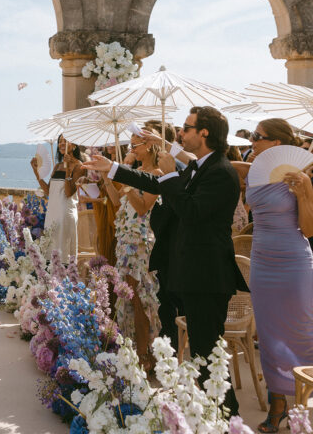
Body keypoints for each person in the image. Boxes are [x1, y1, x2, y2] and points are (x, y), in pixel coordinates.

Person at [84, 106, 246, 417]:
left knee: (207, 355)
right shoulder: (201, 166)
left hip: (207, 275)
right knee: (201, 354)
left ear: (205, 133)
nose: (180, 133)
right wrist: (113, 168)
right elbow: (154, 183)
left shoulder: (221, 173)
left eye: (186, 128)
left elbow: (191, 211)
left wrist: (171, 171)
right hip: (190, 273)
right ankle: (212, 415)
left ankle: (229, 417)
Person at [232, 118, 313, 431]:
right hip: (263, 264)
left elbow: (308, 229)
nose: (252, 141)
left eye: (258, 136)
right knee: (269, 337)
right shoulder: (255, 171)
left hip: (294, 264)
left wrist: (305, 193)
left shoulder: (301, 177)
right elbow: (228, 165)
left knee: (302, 334)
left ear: (277, 144)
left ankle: (302, 408)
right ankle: (277, 406)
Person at [101, 128, 162, 369]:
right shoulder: (136, 173)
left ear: (149, 146)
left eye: (135, 145)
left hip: (141, 244)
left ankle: (145, 352)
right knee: (127, 297)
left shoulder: (156, 174)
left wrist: (126, 179)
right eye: (130, 146)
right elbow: (117, 202)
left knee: (140, 299)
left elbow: (143, 208)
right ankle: (134, 348)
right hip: (126, 243)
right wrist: (108, 177)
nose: (131, 150)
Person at [30, 134, 84, 263]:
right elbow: (49, 191)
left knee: (64, 250)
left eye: (65, 141)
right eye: (60, 141)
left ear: (74, 145)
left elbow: (69, 192)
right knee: (50, 248)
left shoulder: (79, 166)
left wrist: (68, 170)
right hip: (52, 212)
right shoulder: (57, 166)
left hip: (65, 212)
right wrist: (36, 172)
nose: (61, 144)